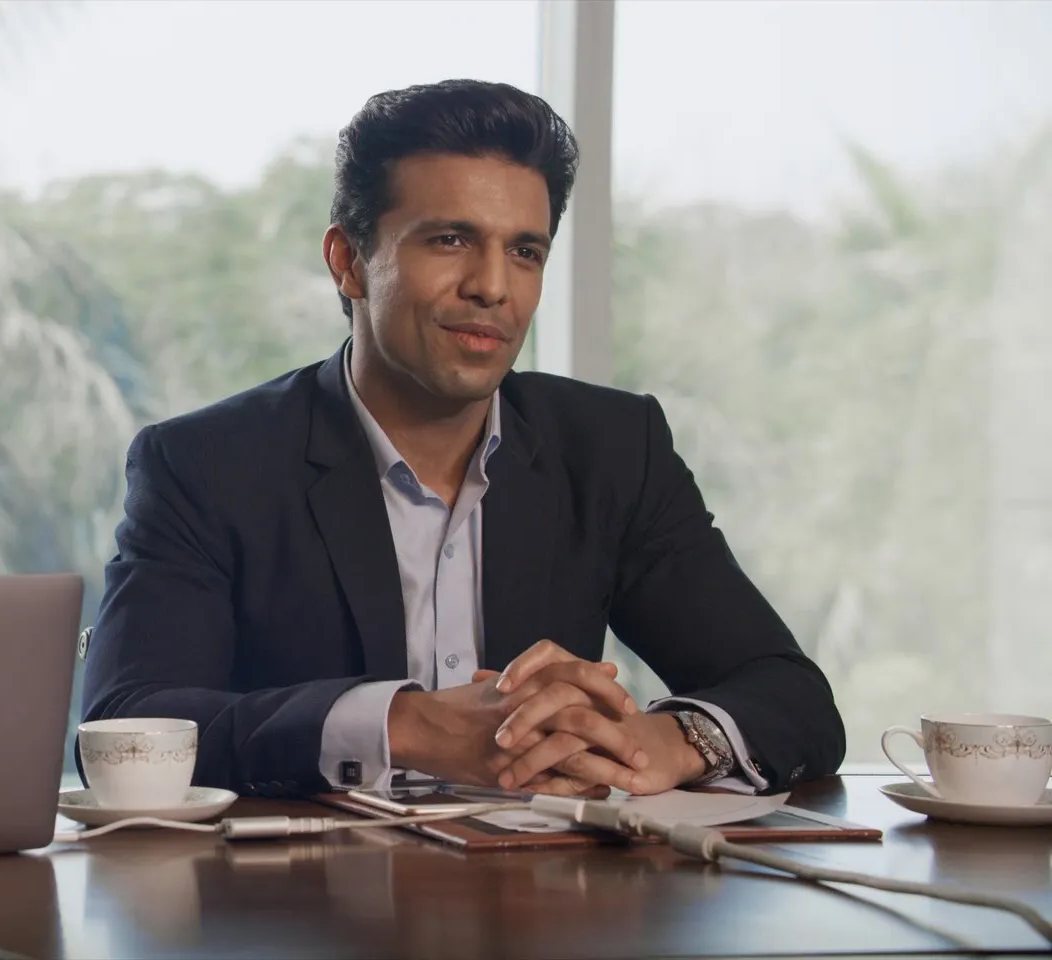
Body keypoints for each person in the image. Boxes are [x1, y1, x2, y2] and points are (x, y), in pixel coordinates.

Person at [80, 80, 844, 801]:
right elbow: (125, 725)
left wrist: (666, 743)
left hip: (550, 885)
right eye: (450, 240)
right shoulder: (207, 466)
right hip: (311, 890)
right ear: (348, 261)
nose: (493, 286)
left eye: (525, 252)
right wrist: (405, 726)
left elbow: (790, 695)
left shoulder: (613, 449)